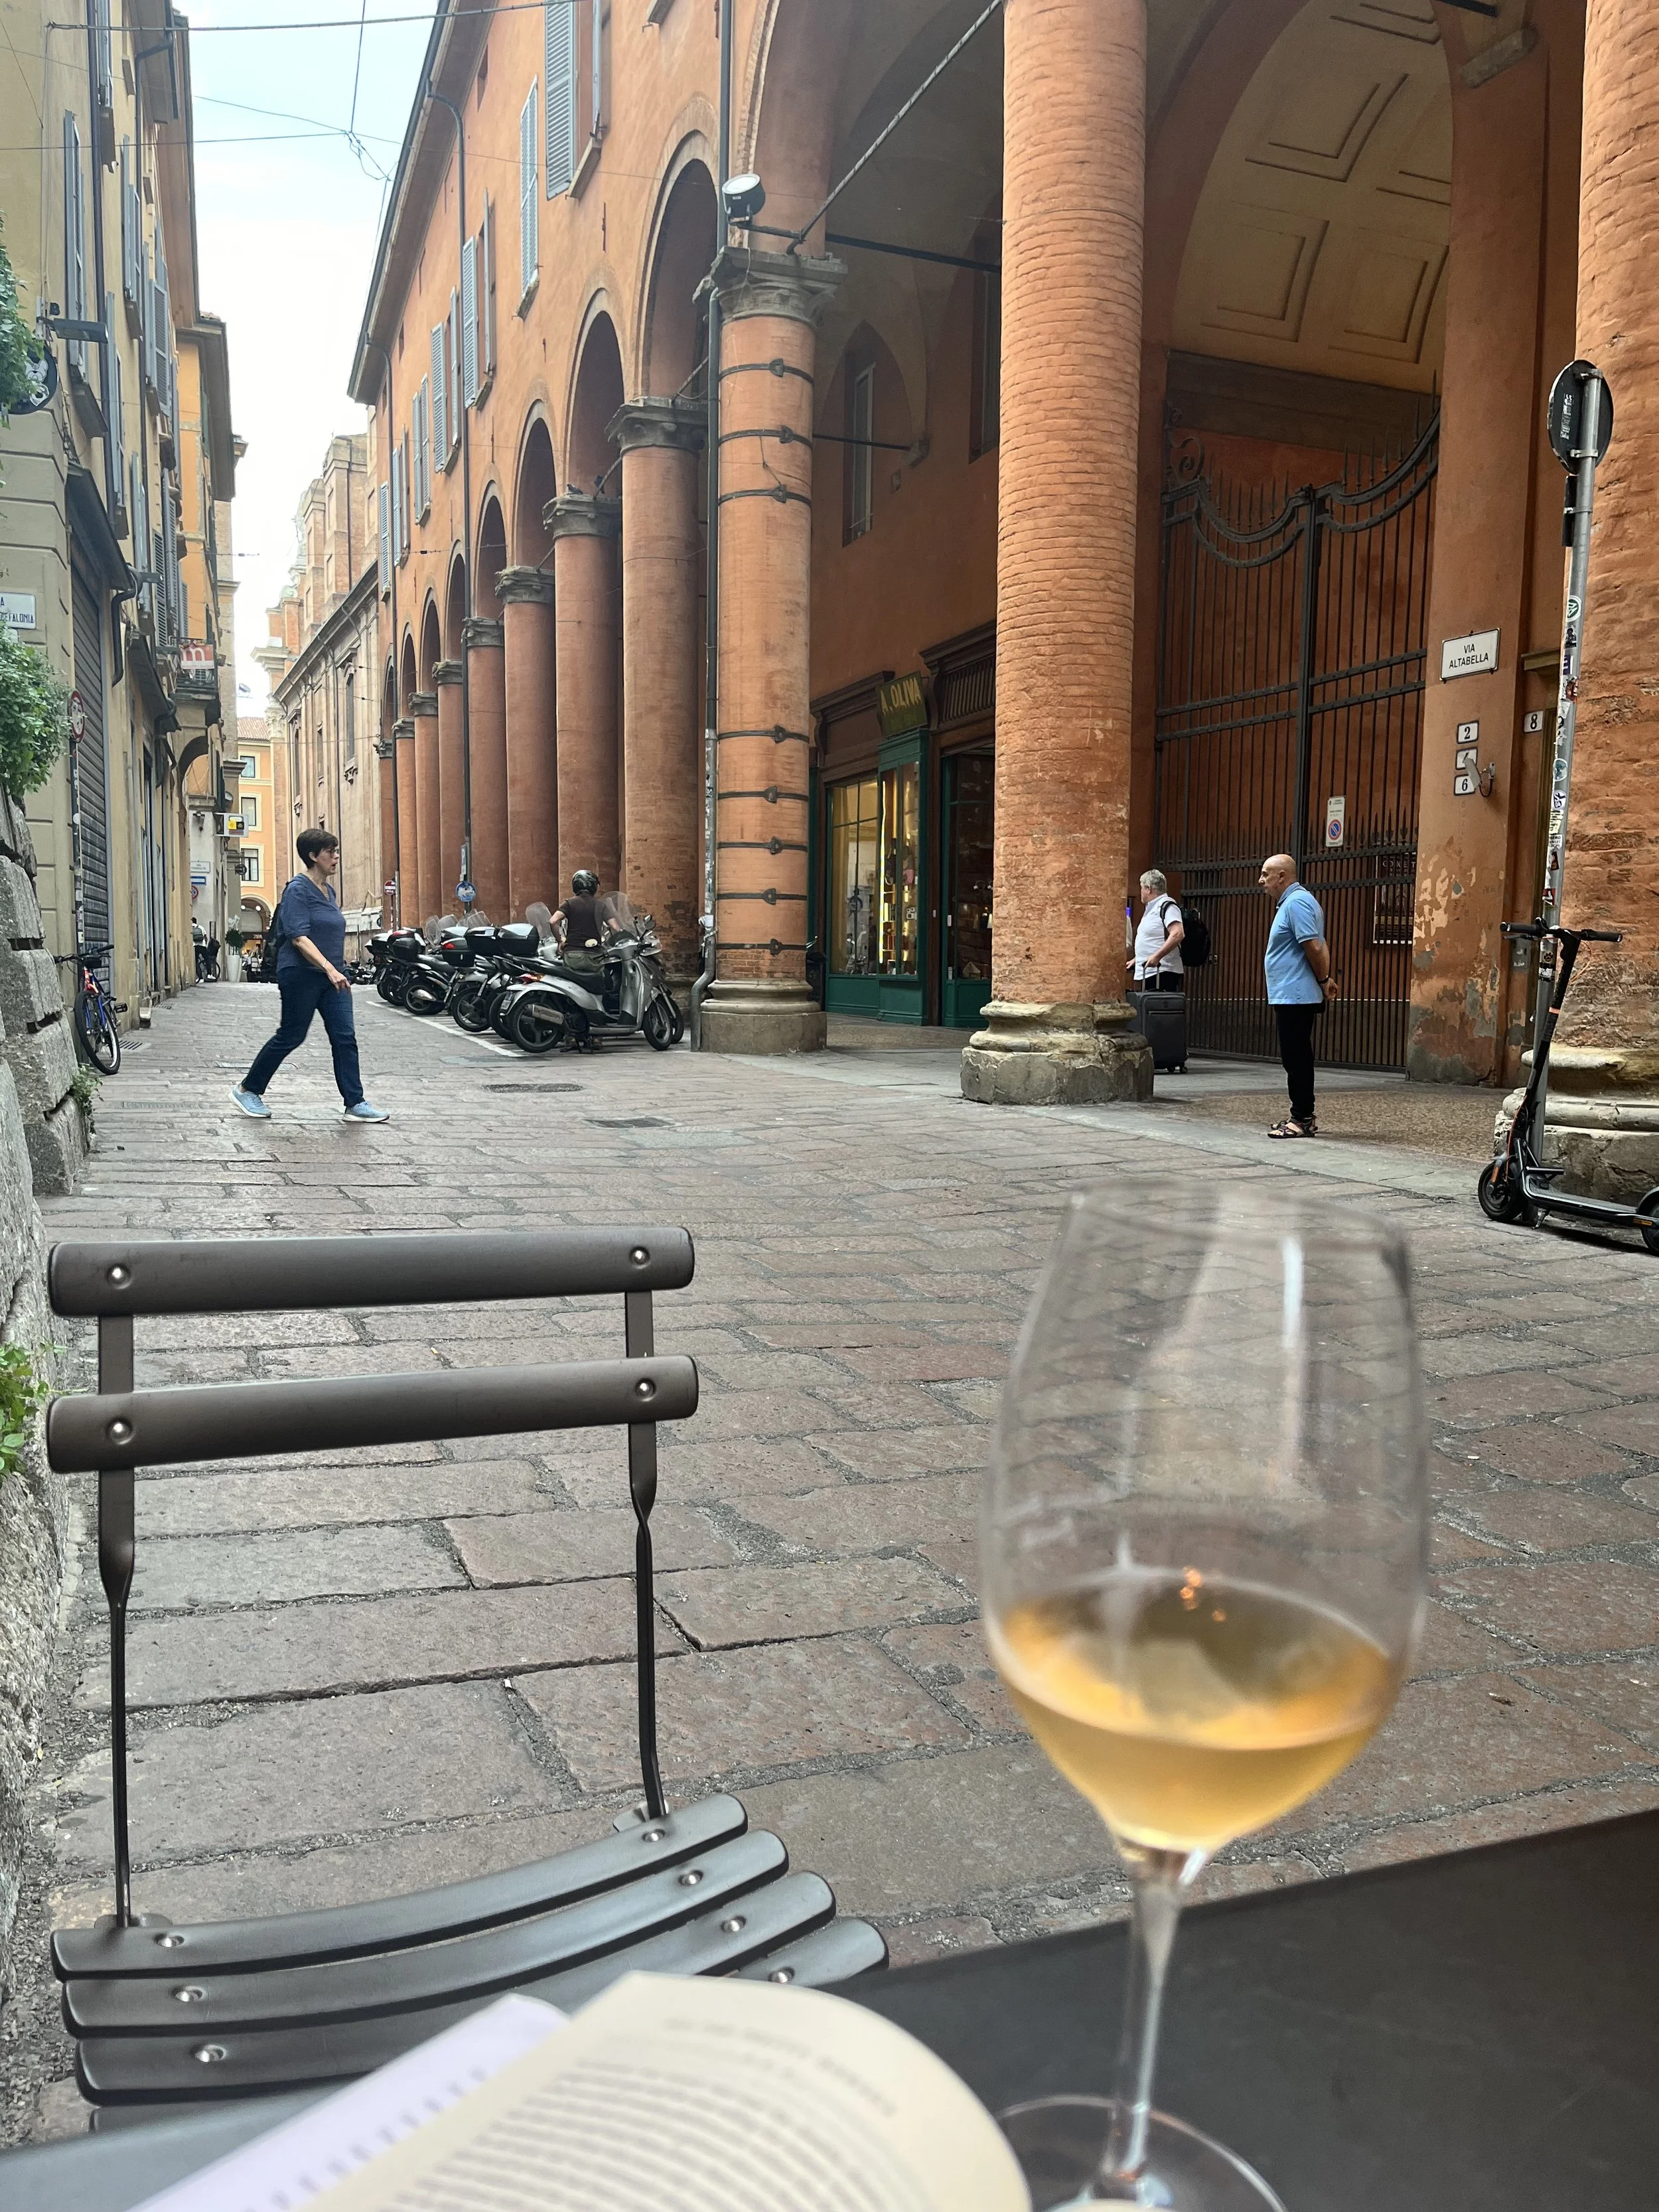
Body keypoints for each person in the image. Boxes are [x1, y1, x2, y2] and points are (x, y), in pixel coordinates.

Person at [230, 830, 390, 1122]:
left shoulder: (329, 892)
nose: (336, 857)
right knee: (292, 1035)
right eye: (331, 852)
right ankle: (247, 1089)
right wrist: (329, 968)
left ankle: (355, 1102)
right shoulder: (297, 890)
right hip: (301, 975)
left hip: (334, 978)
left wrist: (339, 971)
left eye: (336, 851)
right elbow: (298, 937)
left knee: (345, 1037)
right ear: (313, 856)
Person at [1259, 851, 1334, 1140]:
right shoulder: (1293, 904)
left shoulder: (1297, 903)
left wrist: (1324, 979)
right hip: (1292, 993)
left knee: (1297, 1057)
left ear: (1282, 877)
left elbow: (1315, 947)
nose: (1261, 880)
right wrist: (1325, 979)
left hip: (1296, 995)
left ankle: (1301, 1118)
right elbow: (1320, 945)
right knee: (1295, 1056)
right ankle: (1302, 1115)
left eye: (1266, 874)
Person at [1129, 869, 1185, 992]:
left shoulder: (1167, 905)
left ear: (1149, 889)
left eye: (1142, 888)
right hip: (1149, 971)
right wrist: (1138, 958)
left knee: (1158, 1009)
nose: (1141, 892)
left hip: (1163, 972)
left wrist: (1157, 957)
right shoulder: (1152, 908)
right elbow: (1153, 939)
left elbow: (1178, 934)